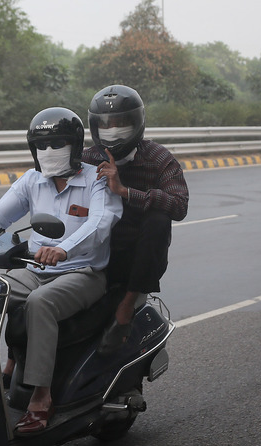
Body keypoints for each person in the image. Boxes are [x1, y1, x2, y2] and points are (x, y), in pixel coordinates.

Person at [0, 106, 122, 434]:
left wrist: (64, 248)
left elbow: (100, 222)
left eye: (57, 144)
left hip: (83, 272)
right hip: (36, 269)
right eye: (41, 146)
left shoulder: (95, 179)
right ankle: (8, 364)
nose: (48, 153)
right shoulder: (32, 181)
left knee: (40, 303)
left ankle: (42, 397)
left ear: (74, 146)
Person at [81, 85, 189, 353]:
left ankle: (127, 307)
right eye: (106, 125)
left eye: (121, 124)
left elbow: (179, 206)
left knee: (159, 219)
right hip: (92, 252)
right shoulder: (86, 159)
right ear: (95, 126)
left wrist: (126, 192)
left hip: (136, 256)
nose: (113, 131)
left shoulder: (158, 159)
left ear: (137, 123)